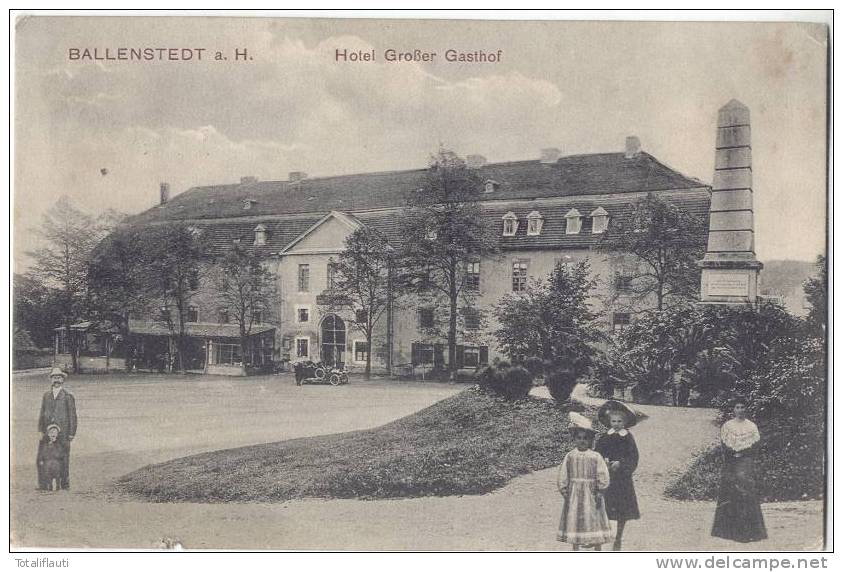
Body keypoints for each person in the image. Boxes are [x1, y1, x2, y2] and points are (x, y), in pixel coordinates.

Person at [711, 398, 768, 543]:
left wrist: (742, 453)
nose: (740, 409)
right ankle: (728, 531)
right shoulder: (728, 426)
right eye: (737, 407)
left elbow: (755, 446)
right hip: (731, 461)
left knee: (746, 488)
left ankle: (750, 532)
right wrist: (732, 453)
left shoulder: (751, 426)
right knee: (730, 489)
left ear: (746, 409)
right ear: (733, 409)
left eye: (743, 407)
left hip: (745, 461)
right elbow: (724, 445)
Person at [557, 412, 614, 551]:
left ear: (590, 441)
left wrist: (600, 491)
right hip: (574, 494)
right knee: (575, 520)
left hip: (592, 493)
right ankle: (575, 548)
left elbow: (602, 474)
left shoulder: (595, 456)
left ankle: (597, 549)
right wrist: (565, 491)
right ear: (575, 439)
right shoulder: (570, 456)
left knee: (594, 519)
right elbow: (563, 475)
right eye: (579, 438)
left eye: (585, 439)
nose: (582, 441)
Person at [595, 400, 641, 551]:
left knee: (622, 508)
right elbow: (597, 453)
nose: (616, 424)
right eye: (613, 421)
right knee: (603, 506)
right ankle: (599, 538)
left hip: (621, 479)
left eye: (619, 421)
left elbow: (632, 456)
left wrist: (621, 463)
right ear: (609, 421)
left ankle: (618, 537)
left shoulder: (627, 437)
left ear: (625, 422)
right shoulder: (605, 437)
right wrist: (604, 461)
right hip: (606, 477)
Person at [37, 368, 77, 490]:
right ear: (51, 379)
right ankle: (43, 484)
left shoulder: (68, 396)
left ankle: (64, 484)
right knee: (43, 458)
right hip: (47, 433)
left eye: (59, 378)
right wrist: (40, 430)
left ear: (63, 380)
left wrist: (71, 433)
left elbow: (72, 416)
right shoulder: (46, 395)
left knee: (63, 458)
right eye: (54, 378)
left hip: (63, 433)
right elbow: (42, 413)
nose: (56, 380)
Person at [37, 424, 67, 491]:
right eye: (51, 432)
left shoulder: (59, 444)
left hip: (56, 462)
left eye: (55, 432)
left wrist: (60, 458)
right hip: (47, 462)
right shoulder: (45, 444)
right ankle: (48, 486)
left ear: (57, 434)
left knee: (57, 475)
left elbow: (61, 453)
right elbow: (42, 452)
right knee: (47, 474)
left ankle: (57, 486)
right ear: (48, 434)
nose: (53, 434)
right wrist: (41, 459)